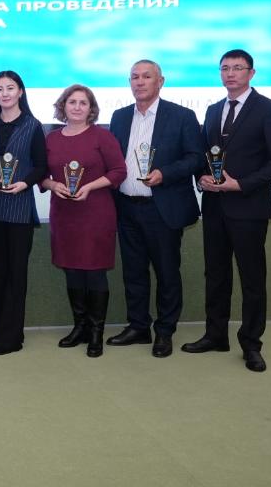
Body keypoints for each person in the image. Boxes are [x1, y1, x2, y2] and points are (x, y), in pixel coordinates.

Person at [183, 49, 271, 373]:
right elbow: (203, 154)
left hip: (249, 207)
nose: (230, 73)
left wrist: (241, 184)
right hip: (214, 206)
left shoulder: (269, 109)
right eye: (225, 68)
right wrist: (201, 177)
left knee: (252, 278)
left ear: (251, 73)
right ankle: (215, 335)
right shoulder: (213, 110)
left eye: (237, 68)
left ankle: (251, 344)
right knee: (215, 274)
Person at [107, 60, 203, 358]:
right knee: (133, 272)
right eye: (134, 77)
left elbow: (195, 158)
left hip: (162, 208)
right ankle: (138, 326)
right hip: (127, 207)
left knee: (166, 273)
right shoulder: (120, 116)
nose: (139, 82)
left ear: (160, 81)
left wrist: (165, 173)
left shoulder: (182, 116)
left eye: (146, 76)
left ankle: (164, 331)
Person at [40, 84, 126, 358]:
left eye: (83, 103)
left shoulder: (103, 136)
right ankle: (80, 327)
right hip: (64, 215)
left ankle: (96, 332)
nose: (77, 107)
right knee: (72, 270)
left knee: (95, 271)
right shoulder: (51, 139)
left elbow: (119, 171)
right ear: (63, 106)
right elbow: (39, 175)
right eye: (72, 102)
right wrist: (52, 185)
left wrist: (89, 186)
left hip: (96, 213)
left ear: (91, 109)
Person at [0, 70, 46, 355]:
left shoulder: (33, 125)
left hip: (19, 209)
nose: (4, 93)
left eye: (9, 88)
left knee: (17, 274)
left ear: (20, 91)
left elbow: (42, 166)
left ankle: (12, 337)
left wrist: (25, 183)